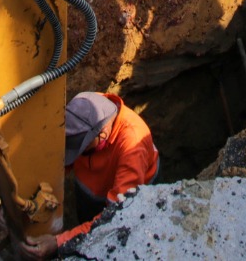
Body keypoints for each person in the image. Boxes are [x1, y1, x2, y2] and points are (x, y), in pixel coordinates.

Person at [17, 91, 159, 259]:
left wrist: (59, 242)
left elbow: (116, 217)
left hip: (128, 194)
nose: (74, 155)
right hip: (90, 191)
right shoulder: (87, 106)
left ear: (102, 135)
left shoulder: (132, 146)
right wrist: (17, 201)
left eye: (80, 148)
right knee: (86, 220)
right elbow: (54, 166)